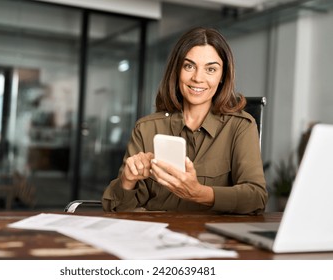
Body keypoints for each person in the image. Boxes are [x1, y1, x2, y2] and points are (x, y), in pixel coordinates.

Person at [102, 27, 267, 214]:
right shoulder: (147, 128)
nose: (197, 78)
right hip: (156, 235)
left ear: (222, 76)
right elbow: (116, 208)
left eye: (211, 69)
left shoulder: (240, 126)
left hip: (211, 237)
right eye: (189, 66)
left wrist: (199, 193)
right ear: (177, 70)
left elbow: (256, 198)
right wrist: (128, 180)